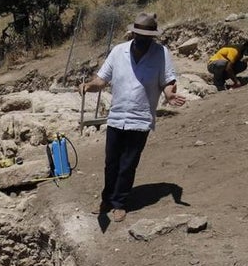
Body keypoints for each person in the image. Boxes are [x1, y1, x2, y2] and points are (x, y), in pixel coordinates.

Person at [79, 12, 185, 223]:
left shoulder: (161, 53)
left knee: (128, 163)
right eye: (139, 36)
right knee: (111, 162)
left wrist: (169, 93)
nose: (143, 41)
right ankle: (106, 199)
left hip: (140, 118)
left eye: (147, 38)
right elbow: (101, 80)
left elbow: (167, 81)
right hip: (117, 117)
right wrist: (88, 86)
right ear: (133, 34)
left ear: (153, 37)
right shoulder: (118, 52)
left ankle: (120, 203)